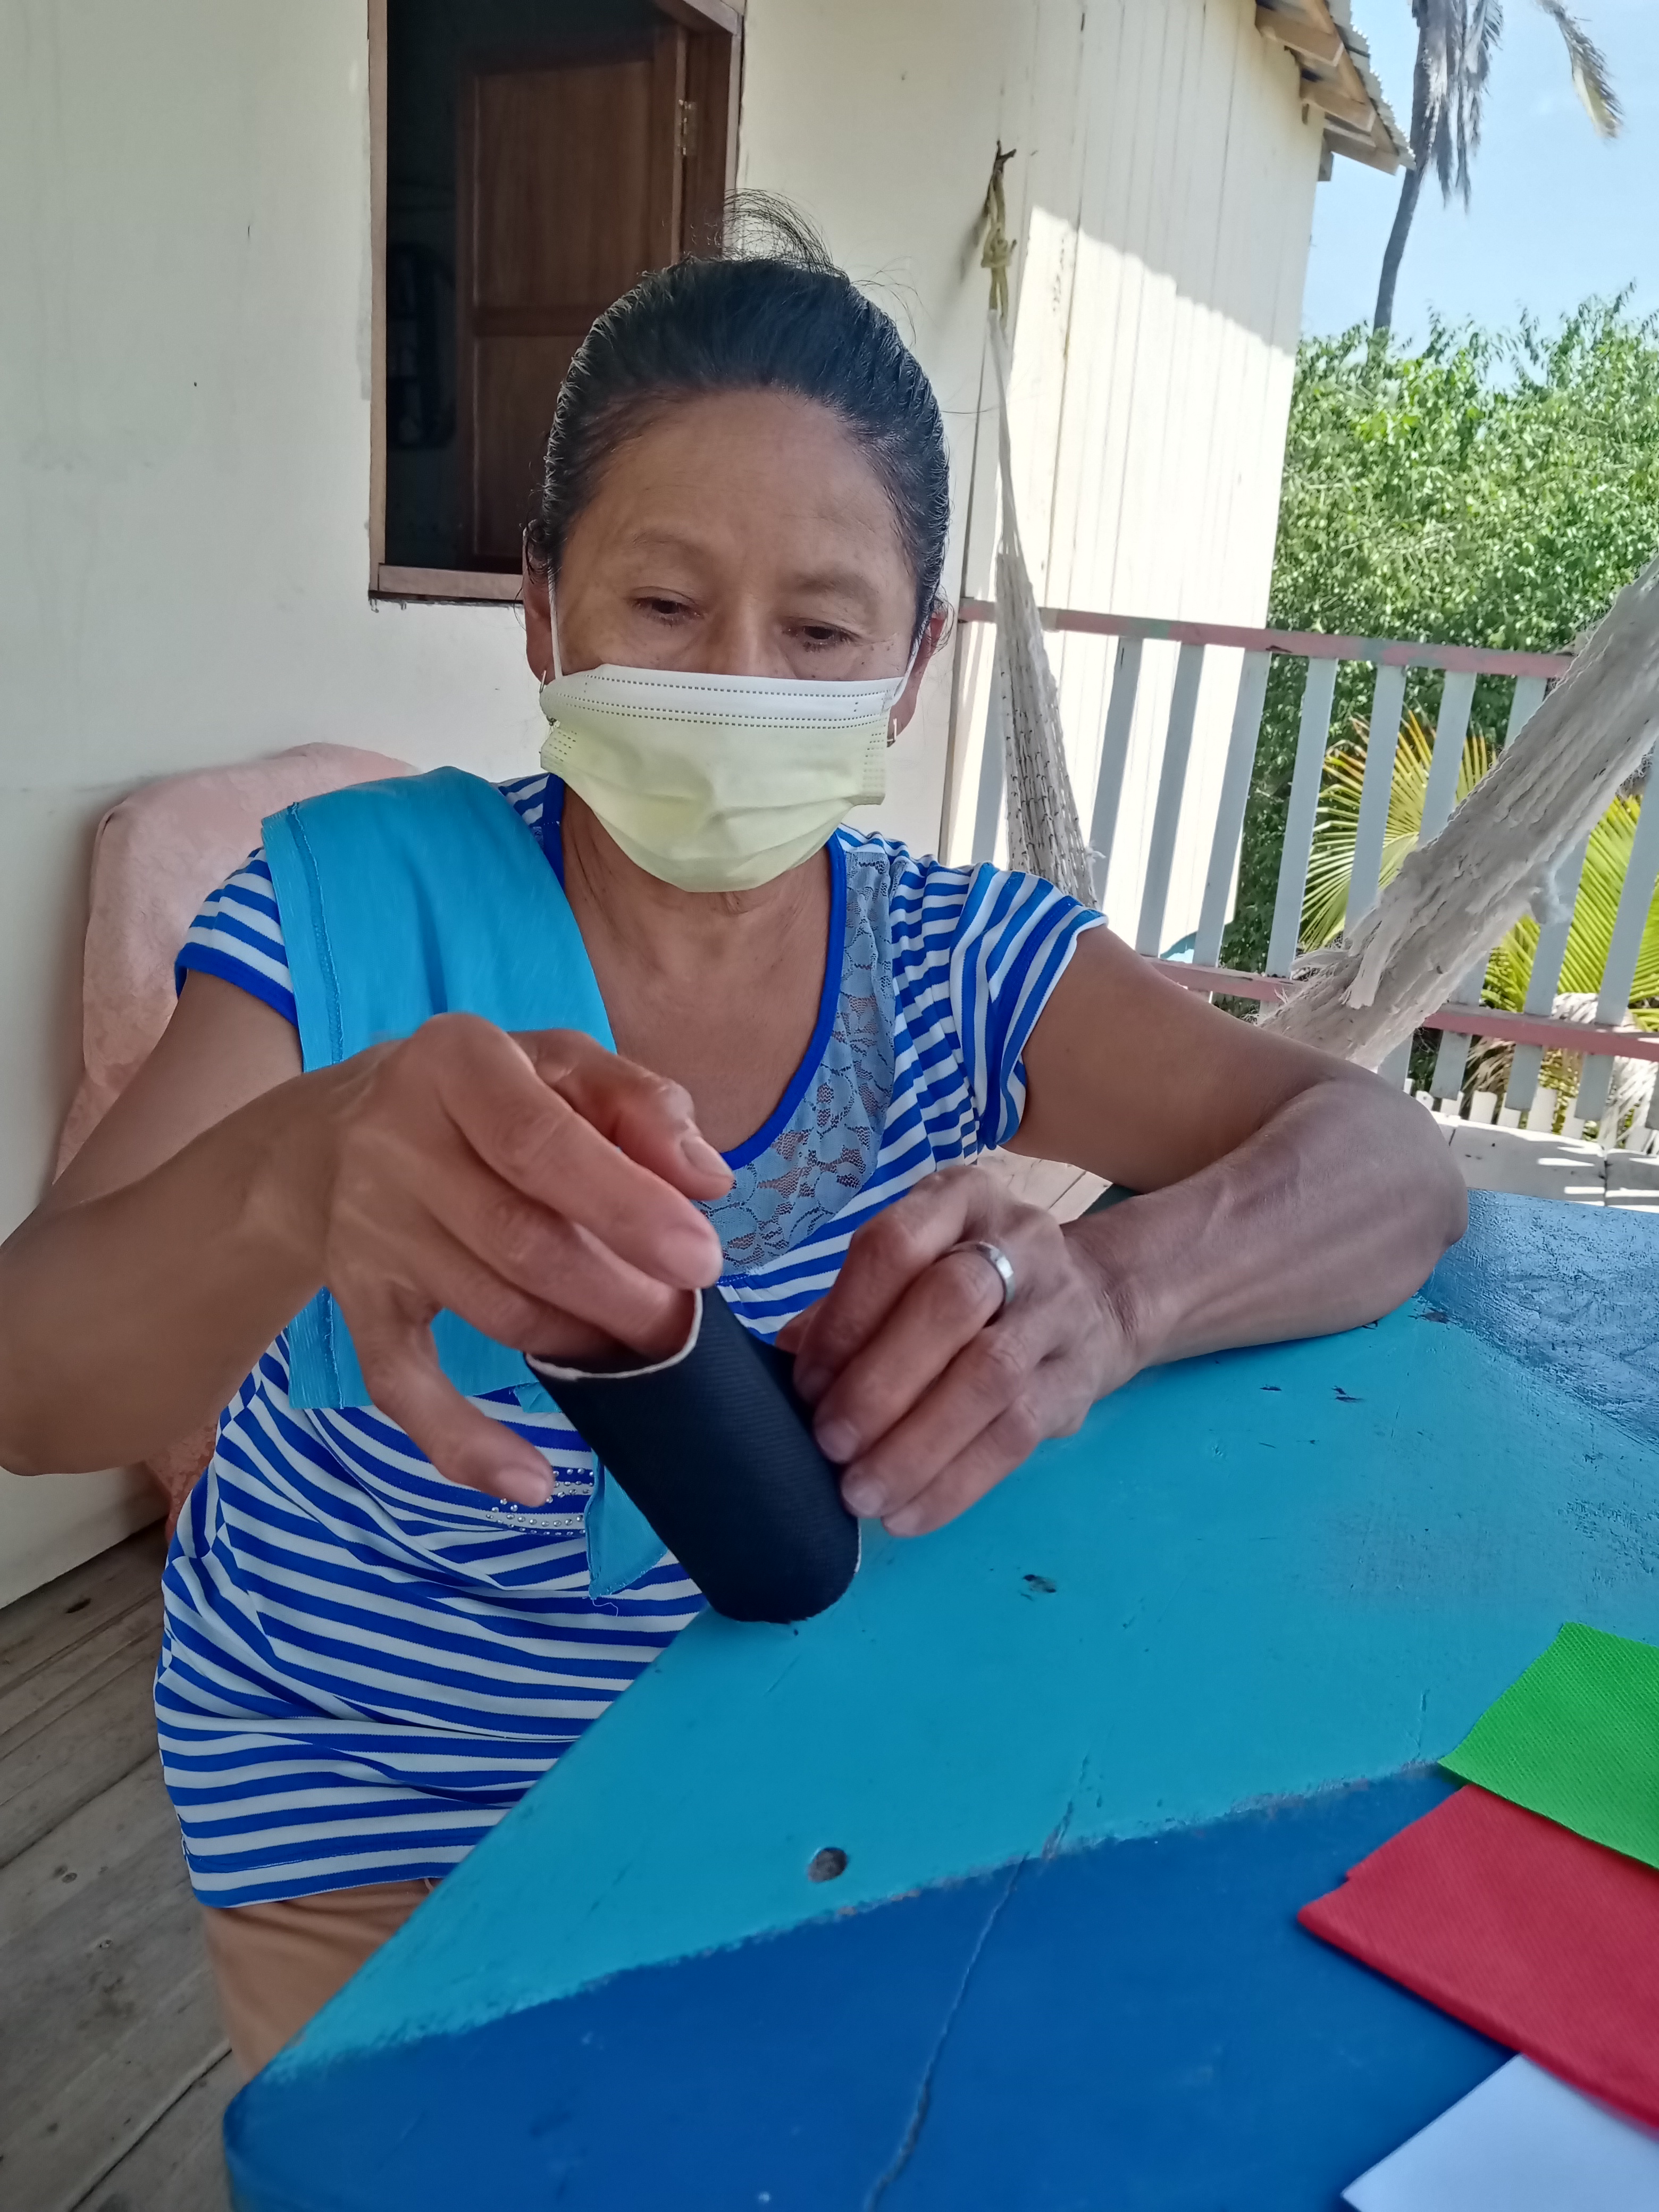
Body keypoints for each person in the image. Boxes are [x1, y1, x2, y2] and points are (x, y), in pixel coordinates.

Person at [0, 214, 1465, 2073]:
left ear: (913, 667)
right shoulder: (342, 917)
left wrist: (1114, 1296)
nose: (739, 683)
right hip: (365, 1825)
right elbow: (32, 1389)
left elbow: (1390, 1168)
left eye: (822, 629)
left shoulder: (958, 966)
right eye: (666, 608)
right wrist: (301, 1169)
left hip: (793, 1795)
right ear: (545, 615)